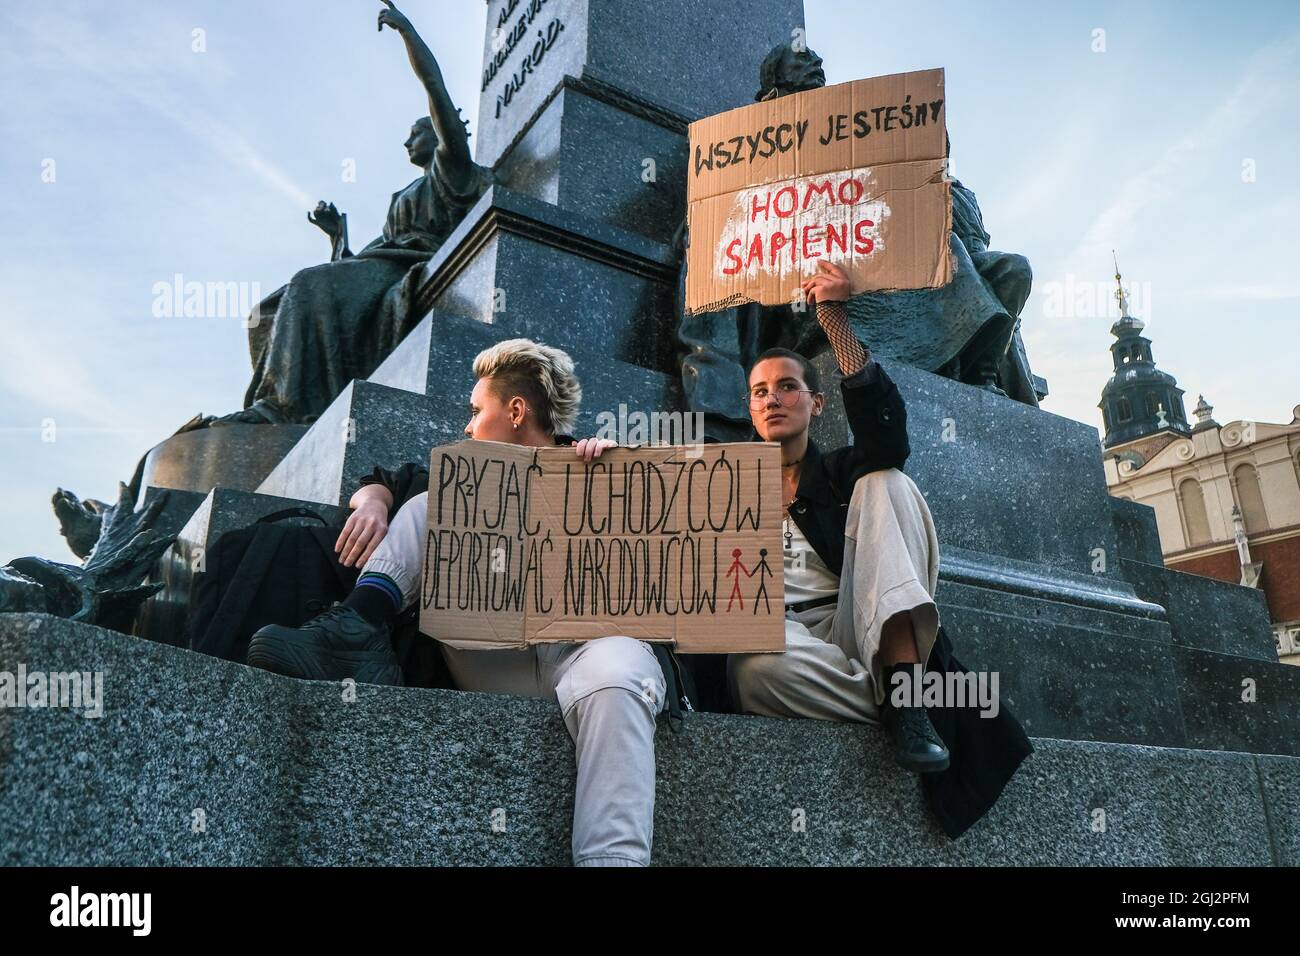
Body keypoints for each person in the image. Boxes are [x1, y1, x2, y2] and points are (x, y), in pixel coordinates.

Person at [247, 339, 668, 867]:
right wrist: (375, 500)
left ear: (516, 411)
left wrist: (624, 485)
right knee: (437, 502)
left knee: (621, 672)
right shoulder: (452, 477)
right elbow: (382, 482)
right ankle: (355, 628)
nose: (468, 427)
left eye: (476, 411)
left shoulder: (600, 465)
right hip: (492, 657)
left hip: (581, 657)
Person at [216, 1, 493, 426]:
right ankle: (281, 401)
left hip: (413, 265)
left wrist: (408, 34)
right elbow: (363, 263)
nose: (406, 142)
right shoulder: (404, 191)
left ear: (438, 132)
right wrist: (336, 236)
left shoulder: (451, 170)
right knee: (266, 311)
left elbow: (435, 87)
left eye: (415, 133)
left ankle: (283, 407)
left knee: (308, 284)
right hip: (385, 265)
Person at [726, 259, 951, 771]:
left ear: (818, 403)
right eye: (760, 392)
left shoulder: (839, 471)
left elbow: (888, 439)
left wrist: (834, 321)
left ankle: (907, 699)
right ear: (750, 409)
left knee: (886, 479)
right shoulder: (726, 483)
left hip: (859, 619)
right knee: (754, 672)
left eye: (787, 386)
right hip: (785, 637)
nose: (773, 399)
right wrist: (602, 458)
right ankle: (901, 701)